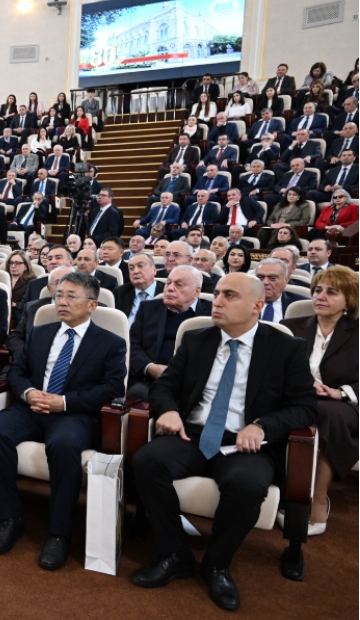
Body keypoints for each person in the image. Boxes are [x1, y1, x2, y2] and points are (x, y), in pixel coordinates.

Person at [130, 273, 316, 612]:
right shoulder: (197, 340)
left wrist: (262, 426)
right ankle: (175, 554)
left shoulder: (286, 348)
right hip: (194, 433)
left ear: (257, 306)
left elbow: (305, 406)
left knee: (247, 484)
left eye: (229, 295)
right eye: (217, 294)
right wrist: (168, 410)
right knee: (146, 461)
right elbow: (164, 386)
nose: (217, 301)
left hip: (246, 443)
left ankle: (217, 564)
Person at [0, 272, 126, 568]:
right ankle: (9, 518)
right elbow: (17, 371)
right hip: (33, 407)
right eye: (59, 295)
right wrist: (29, 392)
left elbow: (112, 388)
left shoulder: (110, 342)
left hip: (75, 413)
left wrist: (65, 402)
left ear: (92, 305)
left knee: (63, 444)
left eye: (71, 296)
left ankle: (59, 533)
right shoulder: (40, 332)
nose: (62, 301)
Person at [280, 268, 358, 535]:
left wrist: (342, 392)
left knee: (326, 413)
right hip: (295, 397)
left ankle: (318, 497)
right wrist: (304, 381)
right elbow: (272, 368)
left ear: (349, 300)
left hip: (344, 405)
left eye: (331, 292)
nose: (320, 296)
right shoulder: (290, 326)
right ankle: (288, 492)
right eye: (317, 290)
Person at [128, 265, 212, 400]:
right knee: (137, 394)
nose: (170, 288)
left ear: (196, 291)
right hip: (151, 380)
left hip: (193, 384)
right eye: (168, 283)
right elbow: (132, 344)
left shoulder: (210, 314)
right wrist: (149, 367)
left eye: (179, 284)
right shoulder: (148, 308)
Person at [114, 253, 164, 325]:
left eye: (141, 266)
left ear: (154, 270)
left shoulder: (165, 292)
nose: (135, 271)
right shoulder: (120, 292)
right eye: (131, 268)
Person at [255, 258, 308, 322]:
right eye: (260, 277)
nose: (265, 282)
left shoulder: (301, 305)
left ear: (286, 280)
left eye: (272, 278)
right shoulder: (245, 301)